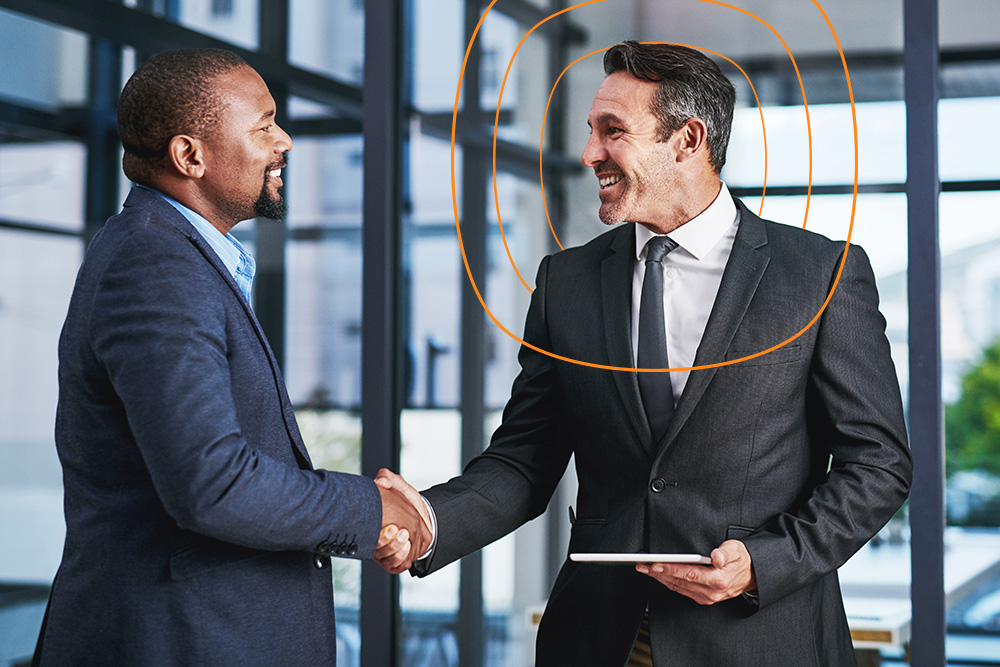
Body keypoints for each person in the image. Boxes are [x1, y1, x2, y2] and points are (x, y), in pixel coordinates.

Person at [375, 41, 912, 665]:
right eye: (590, 131)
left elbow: (878, 464)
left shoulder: (820, 274)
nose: (589, 154)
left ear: (688, 139)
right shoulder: (565, 283)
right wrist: (431, 522)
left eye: (613, 131)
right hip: (599, 638)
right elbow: (525, 460)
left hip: (759, 637)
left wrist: (764, 564)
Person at [34, 48, 428, 666]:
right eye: (264, 124)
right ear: (190, 156)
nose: (285, 141)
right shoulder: (155, 265)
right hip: (178, 642)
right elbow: (211, 482)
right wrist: (368, 507)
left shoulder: (173, 255)